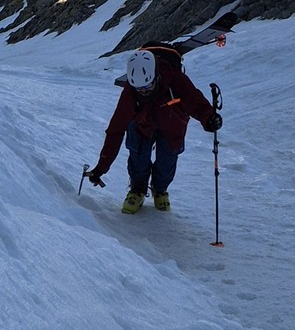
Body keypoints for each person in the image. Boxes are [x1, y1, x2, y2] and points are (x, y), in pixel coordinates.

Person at [87, 44, 222, 214]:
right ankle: (137, 190)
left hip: (173, 123)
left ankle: (160, 190)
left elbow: (196, 103)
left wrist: (209, 118)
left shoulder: (176, 79)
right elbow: (115, 129)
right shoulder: (130, 92)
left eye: (147, 87)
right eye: (139, 89)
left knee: (167, 160)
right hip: (142, 124)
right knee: (138, 156)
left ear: (156, 76)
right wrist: (101, 168)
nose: (143, 92)